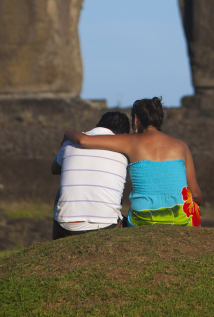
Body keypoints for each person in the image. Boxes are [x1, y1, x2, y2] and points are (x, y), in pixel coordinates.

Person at [64, 97, 202, 227]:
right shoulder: (181, 146)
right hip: (180, 218)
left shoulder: (130, 142)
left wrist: (67, 133)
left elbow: (84, 140)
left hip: (143, 219)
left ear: (136, 119)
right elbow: (195, 193)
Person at [51, 110, 130, 239]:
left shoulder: (72, 141)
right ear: (125, 134)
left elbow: (54, 169)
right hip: (107, 226)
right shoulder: (124, 150)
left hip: (67, 228)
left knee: (60, 194)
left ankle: (55, 243)